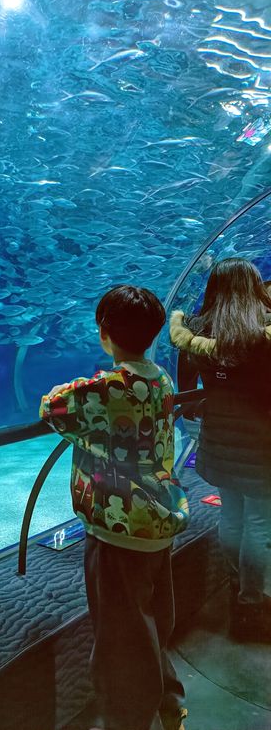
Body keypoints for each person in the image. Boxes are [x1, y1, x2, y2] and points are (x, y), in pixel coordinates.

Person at [40, 285, 190, 730]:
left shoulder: (107, 388)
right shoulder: (161, 379)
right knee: (154, 615)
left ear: (104, 332)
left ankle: (128, 717)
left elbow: (52, 406)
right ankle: (168, 699)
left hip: (117, 529)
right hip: (159, 520)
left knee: (119, 633)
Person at [170, 257, 271, 641]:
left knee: (232, 517)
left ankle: (237, 591)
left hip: (219, 440)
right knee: (261, 525)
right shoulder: (263, 329)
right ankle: (250, 606)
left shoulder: (195, 329)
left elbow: (187, 390)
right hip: (262, 444)